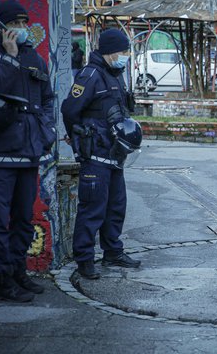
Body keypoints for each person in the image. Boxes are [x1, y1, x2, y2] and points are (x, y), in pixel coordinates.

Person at [61, 29, 142, 280]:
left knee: (116, 207)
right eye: (123, 51)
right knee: (92, 209)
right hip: (95, 155)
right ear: (109, 51)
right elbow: (70, 110)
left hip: (115, 154)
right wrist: (77, 136)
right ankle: (84, 260)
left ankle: (113, 252)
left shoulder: (114, 75)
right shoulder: (90, 75)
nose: (125, 56)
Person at [0, 0, 55, 302]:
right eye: (15, 24)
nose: (21, 29)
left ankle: (17, 271)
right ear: (2, 26)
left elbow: (47, 98)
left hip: (29, 153)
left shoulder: (35, 58)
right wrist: (9, 57)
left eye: (24, 24)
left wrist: (47, 131)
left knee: (23, 219)